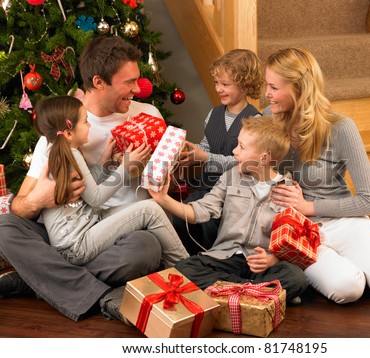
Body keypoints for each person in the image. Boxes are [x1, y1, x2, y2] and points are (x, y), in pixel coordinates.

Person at [0, 36, 179, 323]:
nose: (138, 89)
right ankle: (81, 289)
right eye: (128, 82)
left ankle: (38, 281)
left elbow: (163, 176)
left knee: (145, 248)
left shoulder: (149, 115)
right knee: (5, 226)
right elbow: (20, 205)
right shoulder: (63, 129)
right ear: (99, 82)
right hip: (75, 230)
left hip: (122, 234)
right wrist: (39, 199)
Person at [264, 47, 370, 306]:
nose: (267, 94)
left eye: (273, 87)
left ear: (298, 88)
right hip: (299, 230)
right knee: (348, 289)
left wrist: (307, 206)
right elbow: (250, 167)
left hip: (344, 222)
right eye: (267, 86)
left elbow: (369, 201)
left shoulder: (340, 128)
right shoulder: (267, 118)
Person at [150, 116, 308, 303]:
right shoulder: (231, 176)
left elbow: (293, 240)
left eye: (241, 147)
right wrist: (163, 199)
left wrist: (273, 259)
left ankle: (232, 293)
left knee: (296, 277)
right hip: (225, 259)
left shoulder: (288, 190)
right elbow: (200, 211)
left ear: (263, 158)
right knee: (184, 269)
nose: (234, 151)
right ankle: (257, 294)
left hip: (260, 266)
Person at [34, 95, 188, 267]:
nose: (89, 125)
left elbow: (86, 187)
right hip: (75, 245)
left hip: (89, 223)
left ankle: (174, 265)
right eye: (85, 122)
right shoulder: (70, 155)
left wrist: (105, 162)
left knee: (156, 206)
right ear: (69, 133)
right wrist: (125, 168)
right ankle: (186, 267)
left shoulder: (65, 151)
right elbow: (96, 198)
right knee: (150, 209)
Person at [173, 49, 263, 254]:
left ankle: (212, 260)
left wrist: (206, 157)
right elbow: (208, 144)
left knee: (211, 223)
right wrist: (193, 154)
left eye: (226, 84)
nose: (219, 89)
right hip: (207, 188)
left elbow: (243, 163)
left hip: (236, 193)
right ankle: (191, 258)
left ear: (244, 84)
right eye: (217, 83)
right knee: (181, 217)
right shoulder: (213, 114)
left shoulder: (254, 120)